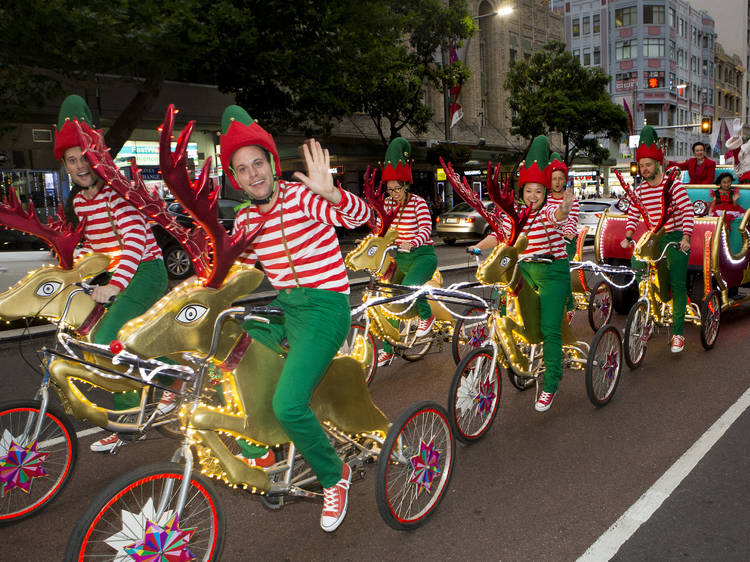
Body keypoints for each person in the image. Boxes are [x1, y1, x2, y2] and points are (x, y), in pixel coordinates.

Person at [220, 105, 371, 532]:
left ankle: (333, 475)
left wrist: (334, 195)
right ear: (235, 179)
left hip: (325, 309)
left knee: (289, 403)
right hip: (287, 308)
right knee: (228, 343)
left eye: (258, 163)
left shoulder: (304, 196)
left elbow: (365, 219)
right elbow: (238, 270)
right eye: (243, 169)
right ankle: (260, 440)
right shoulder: (246, 218)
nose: (254, 174)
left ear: (271, 163)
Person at [53, 95, 173, 452]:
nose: (79, 165)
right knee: (125, 341)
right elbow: (96, 247)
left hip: (146, 272)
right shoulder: (80, 201)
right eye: (72, 160)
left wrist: (114, 285)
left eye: (84, 157)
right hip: (122, 275)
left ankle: (133, 415)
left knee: (107, 339)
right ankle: (168, 384)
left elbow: (135, 241)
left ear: (97, 157)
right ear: (65, 165)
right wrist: (74, 271)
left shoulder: (115, 193)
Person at [469, 135, 574, 412]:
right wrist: (477, 247)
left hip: (553, 272)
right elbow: (499, 235)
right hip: (525, 269)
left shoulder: (550, 208)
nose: (533, 197)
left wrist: (564, 209)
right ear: (522, 190)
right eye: (529, 191)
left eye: (539, 191)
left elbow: (558, 216)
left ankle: (550, 383)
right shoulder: (514, 211)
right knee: (508, 311)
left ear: (545, 192)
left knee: (550, 329)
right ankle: (518, 353)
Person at [621, 125, 694, 353]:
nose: (644, 169)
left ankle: (679, 333)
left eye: (648, 165)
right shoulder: (641, 190)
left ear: (658, 164)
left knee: (677, 284)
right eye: (641, 165)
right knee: (641, 271)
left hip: (675, 239)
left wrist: (686, 238)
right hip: (655, 239)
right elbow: (633, 214)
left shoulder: (673, 185)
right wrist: (628, 236)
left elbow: (687, 211)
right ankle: (649, 318)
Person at [374, 138, 438, 367]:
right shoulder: (389, 205)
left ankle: (427, 316)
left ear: (406, 185)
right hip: (399, 259)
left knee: (409, 287)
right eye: (389, 189)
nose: (393, 194)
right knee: (390, 297)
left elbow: (426, 229)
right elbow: (383, 229)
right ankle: (388, 349)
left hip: (422, 256)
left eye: (397, 189)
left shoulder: (418, 203)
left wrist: (413, 242)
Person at [550, 152, 580, 323]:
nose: (557, 182)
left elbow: (571, 221)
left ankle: (569, 305)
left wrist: (564, 236)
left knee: (561, 267)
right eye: (554, 179)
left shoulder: (571, 200)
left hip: (565, 243)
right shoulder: (545, 199)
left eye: (560, 179)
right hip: (547, 242)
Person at [708, 171, 745, 253]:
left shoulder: (733, 192)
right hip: (718, 209)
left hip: (731, 210)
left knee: (727, 217)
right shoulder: (716, 193)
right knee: (716, 218)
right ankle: (718, 238)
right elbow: (713, 204)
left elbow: (735, 206)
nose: (727, 184)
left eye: (729, 182)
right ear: (720, 183)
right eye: (724, 182)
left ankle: (726, 234)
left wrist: (735, 200)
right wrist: (709, 214)